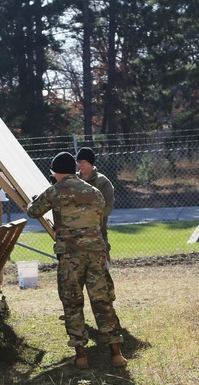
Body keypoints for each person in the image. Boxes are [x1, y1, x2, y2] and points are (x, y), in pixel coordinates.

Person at [26, 151, 128, 370]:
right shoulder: (94, 191)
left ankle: (81, 356)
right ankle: (116, 354)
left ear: (55, 173)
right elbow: (100, 216)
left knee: (72, 303)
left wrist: (37, 199)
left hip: (71, 257)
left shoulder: (54, 191)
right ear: (73, 170)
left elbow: (33, 211)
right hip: (96, 254)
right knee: (103, 301)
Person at [76, 147, 114, 257]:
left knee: (101, 271)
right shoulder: (74, 180)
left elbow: (108, 208)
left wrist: (85, 214)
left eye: (83, 162)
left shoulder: (102, 182)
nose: (80, 165)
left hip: (97, 235)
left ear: (91, 163)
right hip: (77, 237)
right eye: (79, 162)